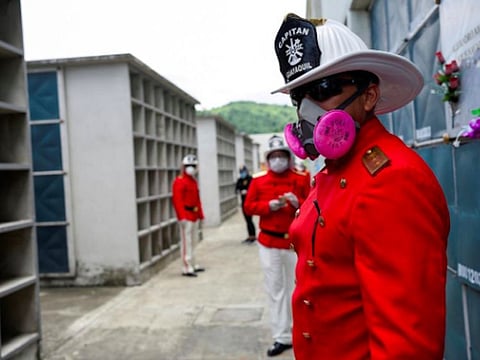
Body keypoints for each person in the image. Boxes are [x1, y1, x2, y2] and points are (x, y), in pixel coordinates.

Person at [272, 14, 450, 359]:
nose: (307, 109)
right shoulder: (333, 173)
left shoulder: (392, 180)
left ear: (368, 96)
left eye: (322, 90)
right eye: (299, 96)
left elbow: (406, 344)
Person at [243, 135, 311, 357]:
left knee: (297, 290)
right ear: (268, 159)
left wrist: (297, 203)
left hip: (293, 243)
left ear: (288, 157)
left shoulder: (301, 178)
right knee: (276, 290)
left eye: (282, 156)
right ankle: (281, 335)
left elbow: (313, 207)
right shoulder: (258, 180)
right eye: (274, 156)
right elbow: (248, 206)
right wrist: (267, 206)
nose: (278, 160)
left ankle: (300, 332)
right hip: (269, 242)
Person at [172, 154, 205, 277]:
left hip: (194, 214)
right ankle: (186, 266)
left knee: (194, 241)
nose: (191, 167)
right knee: (187, 242)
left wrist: (201, 215)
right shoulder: (179, 181)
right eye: (188, 165)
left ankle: (193, 263)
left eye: (193, 165)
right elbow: (177, 200)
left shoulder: (193, 181)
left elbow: (197, 199)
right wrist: (181, 217)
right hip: (186, 215)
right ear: (183, 166)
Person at [235, 165, 256, 243]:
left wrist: (247, 192)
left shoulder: (250, 179)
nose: (242, 173)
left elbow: (253, 189)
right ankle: (250, 236)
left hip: (250, 202)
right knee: (247, 220)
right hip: (243, 203)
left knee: (249, 219)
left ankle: (253, 236)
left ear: (246, 171)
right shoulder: (239, 180)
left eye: (243, 171)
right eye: (241, 172)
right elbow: (236, 189)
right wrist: (240, 191)